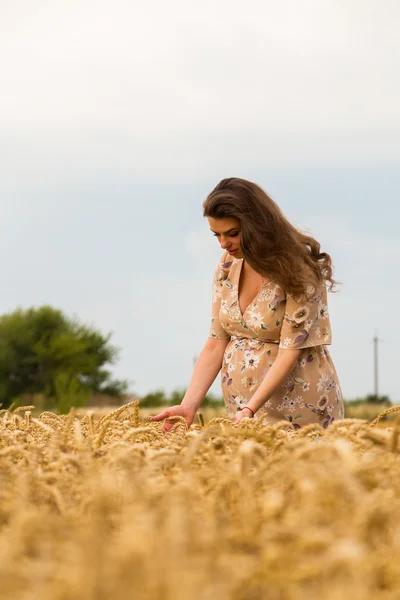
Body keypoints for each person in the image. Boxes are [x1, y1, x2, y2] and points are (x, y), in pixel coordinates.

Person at [152, 178, 344, 432]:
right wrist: (189, 405)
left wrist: (250, 408)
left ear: (258, 225)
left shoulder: (299, 270)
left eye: (232, 233)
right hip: (242, 410)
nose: (223, 243)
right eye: (216, 234)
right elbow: (215, 342)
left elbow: (290, 350)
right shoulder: (227, 266)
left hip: (298, 409)